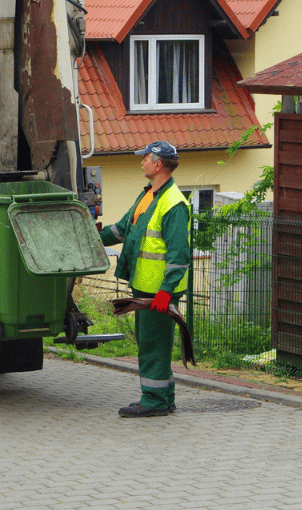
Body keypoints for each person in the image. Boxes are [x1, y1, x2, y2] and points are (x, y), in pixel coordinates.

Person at [99, 140, 192, 418]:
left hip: (158, 294)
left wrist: (166, 292)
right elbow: (121, 229)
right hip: (146, 290)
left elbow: (179, 255)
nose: (141, 162)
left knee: (153, 345)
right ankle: (165, 397)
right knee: (153, 343)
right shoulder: (148, 196)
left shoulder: (174, 204)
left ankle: (153, 401)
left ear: (158, 165)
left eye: (145, 159)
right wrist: (92, 238)